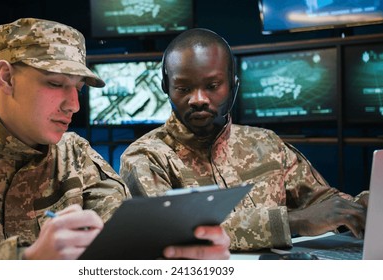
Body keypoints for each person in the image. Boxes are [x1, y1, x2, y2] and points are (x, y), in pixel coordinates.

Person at [0, 18, 230, 260]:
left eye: (77, 87)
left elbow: (121, 237)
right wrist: (25, 261)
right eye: (55, 83)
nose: (73, 104)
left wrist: (178, 253)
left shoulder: (75, 154)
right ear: (6, 77)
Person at [119, 28, 369, 251]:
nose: (198, 99)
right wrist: (295, 221)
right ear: (166, 86)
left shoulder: (267, 143)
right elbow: (174, 230)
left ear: (234, 86)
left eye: (212, 85)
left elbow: (322, 204)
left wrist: (364, 207)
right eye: (183, 88)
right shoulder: (145, 156)